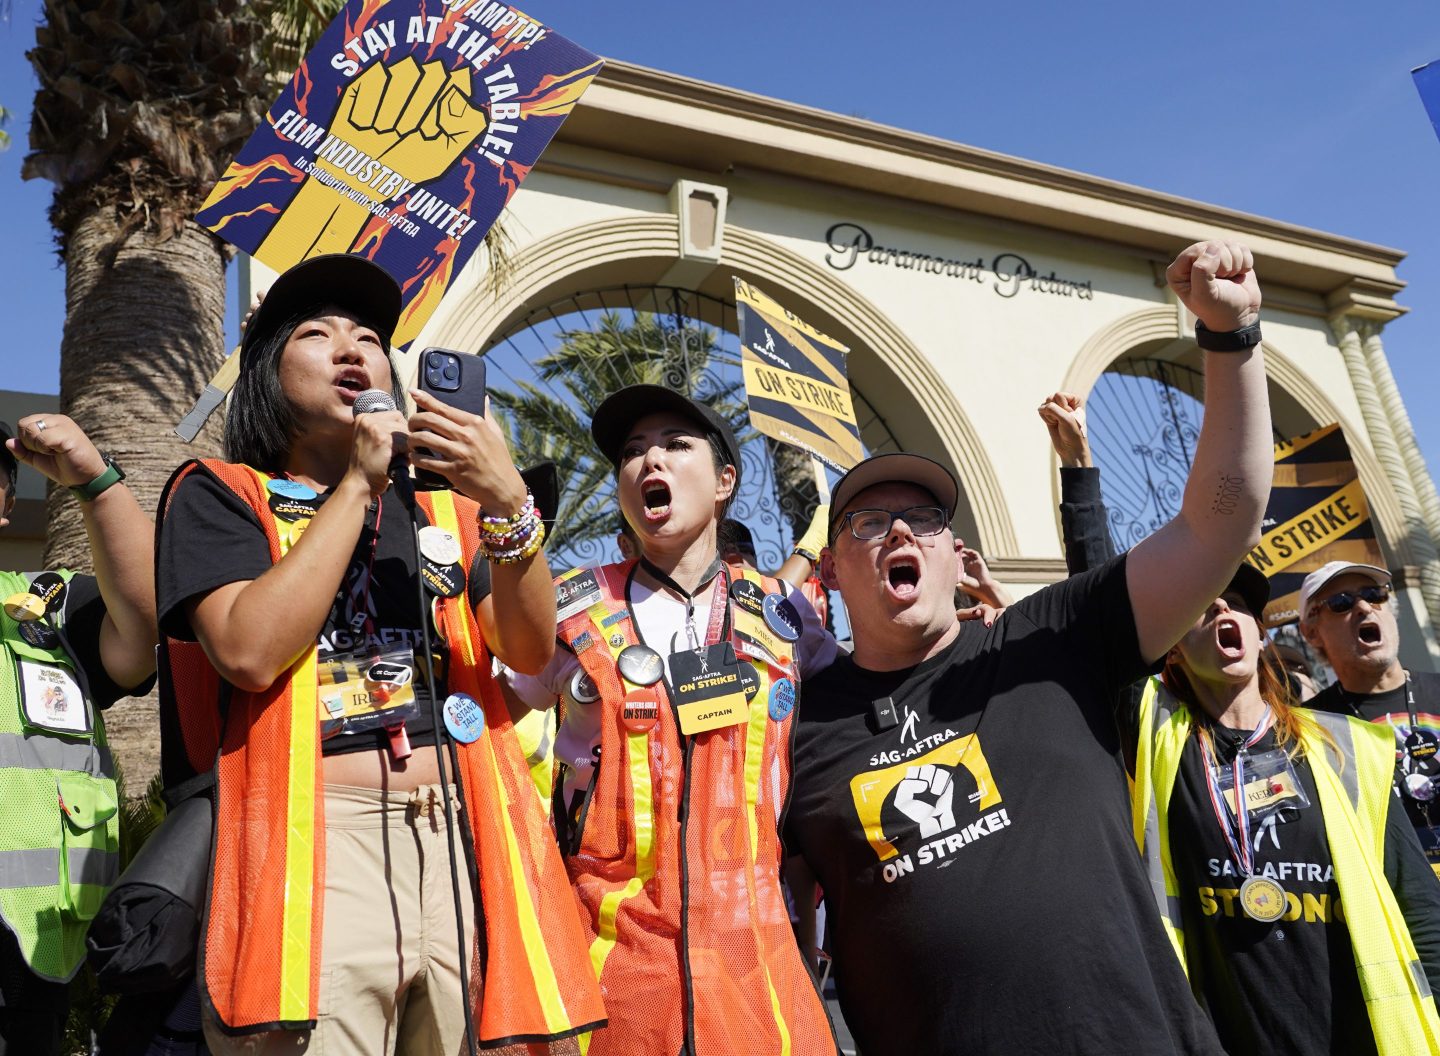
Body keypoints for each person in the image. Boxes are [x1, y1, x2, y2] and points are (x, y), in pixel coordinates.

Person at [783, 240, 1272, 1055]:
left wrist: (1231, 338)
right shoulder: (795, 731)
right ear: (831, 571)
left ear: (955, 554)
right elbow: (783, 930)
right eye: (869, 523)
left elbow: (1220, 522)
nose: (901, 530)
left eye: (925, 521)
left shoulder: (1057, 635)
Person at [153, 254, 602, 1054]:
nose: (352, 348)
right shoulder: (220, 492)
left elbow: (529, 650)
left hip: (464, 834)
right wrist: (358, 484)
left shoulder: (444, 511)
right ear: (265, 372)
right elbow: (249, 652)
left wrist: (508, 506)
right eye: (318, 334)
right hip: (317, 842)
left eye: (368, 337)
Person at [503, 385, 840, 1055]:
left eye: (674, 445)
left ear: (724, 481)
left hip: (757, 976)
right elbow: (483, 730)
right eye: (631, 453)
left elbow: (863, 712)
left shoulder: (784, 615)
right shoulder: (568, 611)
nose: (648, 461)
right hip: (613, 980)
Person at [1128, 562, 1440, 1054]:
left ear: (1259, 637)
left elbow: (1421, 909)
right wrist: (1080, 484)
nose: (1222, 607)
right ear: (1175, 649)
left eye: (1238, 604)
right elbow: (1112, 636)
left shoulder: (1345, 746)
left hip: (1362, 1035)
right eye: (1202, 607)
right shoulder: (1160, 741)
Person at [0, 417, 157, 1056]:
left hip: (22, 950)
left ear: (7, 506)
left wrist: (97, 481)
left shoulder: (45, 609)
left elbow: (146, 626)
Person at [1302, 561, 1440, 881]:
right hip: (1397, 903)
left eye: (1374, 595)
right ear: (1311, 632)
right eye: (1341, 603)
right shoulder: (1308, 727)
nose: (1364, 607)